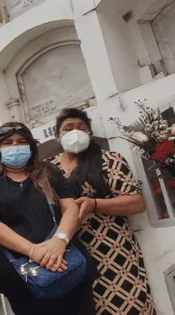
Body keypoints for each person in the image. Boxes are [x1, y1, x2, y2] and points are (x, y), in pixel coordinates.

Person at [0, 123, 96, 315]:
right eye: (8, 142)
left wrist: (59, 241)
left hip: (65, 262)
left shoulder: (48, 172)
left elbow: (70, 207)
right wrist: (33, 251)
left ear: (31, 146)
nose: (15, 146)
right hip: (24, 277)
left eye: (22, 142)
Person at [50, 108, 155, 315]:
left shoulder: (109, 160)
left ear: (89, 133)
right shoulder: (47, 169)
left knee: (128, 306)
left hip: (115, 253)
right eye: (68, 128)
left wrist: (95, 204)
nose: (75, 132)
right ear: (57, 136)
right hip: (69, 256)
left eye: (81, 127)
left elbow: (137, 203)